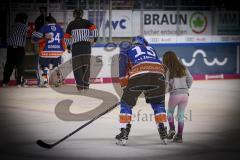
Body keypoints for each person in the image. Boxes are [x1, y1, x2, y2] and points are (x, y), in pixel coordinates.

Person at [116, 36, 168, 146]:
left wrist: (124, 85)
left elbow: (122, 64)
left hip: (139, 72)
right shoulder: (151, 49)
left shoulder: (127, 49)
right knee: (158, 102)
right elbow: (160, 65)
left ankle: (124, 132)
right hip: (159, 73)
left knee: (126, 104)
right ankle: (163, 129)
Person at [64, 8, 98, 91]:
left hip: (76, 47)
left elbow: (66, 37)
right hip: (86, 46)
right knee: (86, 66)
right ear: (82, 15)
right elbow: (95, 30)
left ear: (74, 15)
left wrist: (68, 47)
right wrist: (94, 40)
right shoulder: (87, 22)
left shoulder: (71, 24)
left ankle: (80, 86)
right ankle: (86, 85)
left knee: (77, 67)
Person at [163, 51, 193, 143]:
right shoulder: (183, 67)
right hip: (185, 95)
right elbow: (190, 79)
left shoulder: (168, 70)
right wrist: (186, 87)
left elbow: (167, 84)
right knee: (180, 116)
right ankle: (179, 136)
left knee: (169, 113)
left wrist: (164, 92)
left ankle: (172, 129)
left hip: (175, 95)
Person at [32, 15, 66, 87]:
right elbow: (63, 39)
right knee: (55, 66)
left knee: (44, 67)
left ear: (47, 22)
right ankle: (57, 81)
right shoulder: (59, 28)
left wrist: (41, 36)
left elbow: (35, 37)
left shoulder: (45, 27)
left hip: (46, 51)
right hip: (57, 51)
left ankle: (45, 82)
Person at [2, 13, 28, 87]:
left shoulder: (13, 26)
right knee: (20, 66)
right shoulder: (24, 27)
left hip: (10, 48)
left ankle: (5, 82)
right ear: (23, 19)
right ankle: (19, 83)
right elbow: (29, 36)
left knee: (9, 65)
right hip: (19, 48)